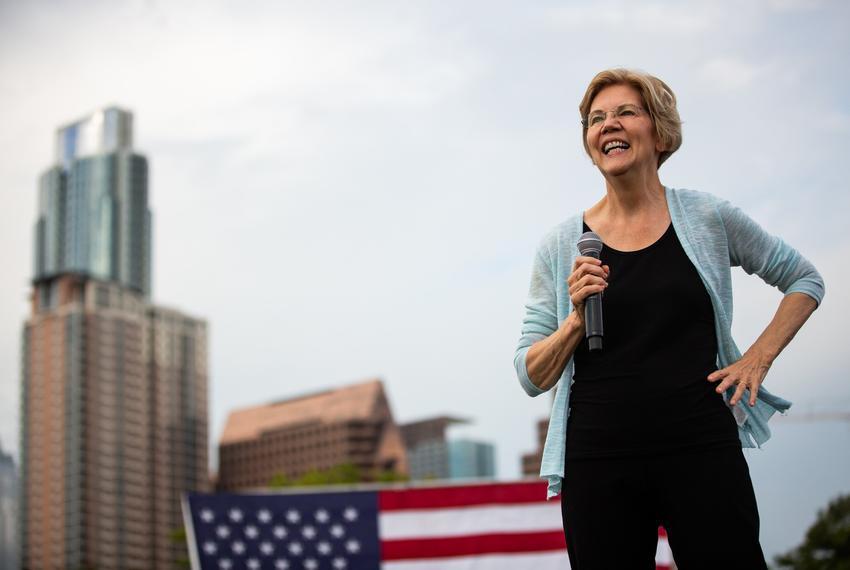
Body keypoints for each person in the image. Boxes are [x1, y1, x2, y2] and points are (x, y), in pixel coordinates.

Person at [513, 69, 824, 569]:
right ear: (590, 143)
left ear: (659, 132)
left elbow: (804, 281)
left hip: (701, 445)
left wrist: (756, 361)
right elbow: (529, 375)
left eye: (625, 112)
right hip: (598, 460)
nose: (607, 124)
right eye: (596, 119)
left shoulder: (708, 217)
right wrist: (573, 321)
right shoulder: (560, 245)